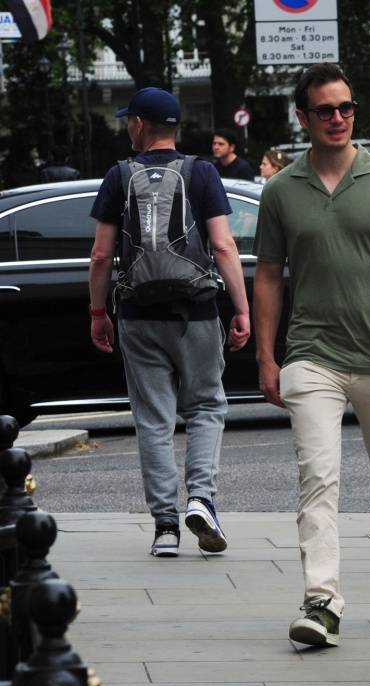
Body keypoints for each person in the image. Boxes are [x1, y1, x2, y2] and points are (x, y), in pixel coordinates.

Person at [253, 63, 370, 648]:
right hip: (312, 353)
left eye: (346, 108)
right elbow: (266, 278)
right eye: (325, 111)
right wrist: (267, 357)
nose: (338, 118)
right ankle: (322, 600)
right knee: (318, 478)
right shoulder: (282, 190)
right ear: (303, 118)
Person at [87, 87, 251, 558]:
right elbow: (223, 246)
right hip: (196, 312)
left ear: (140, 124)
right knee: (205, 407)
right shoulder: (202, 172)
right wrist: (239, 308)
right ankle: (200, 499)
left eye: (128, 121)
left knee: (153, 419)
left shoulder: (119, 176)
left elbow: (101, 255)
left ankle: (164, 527)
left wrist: (98, 313)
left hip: (138, 315)